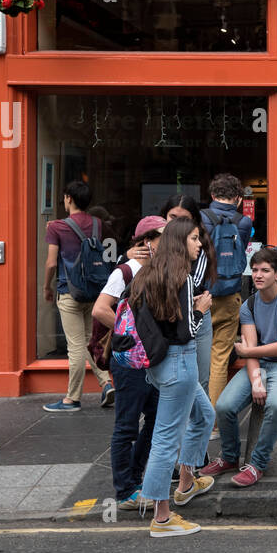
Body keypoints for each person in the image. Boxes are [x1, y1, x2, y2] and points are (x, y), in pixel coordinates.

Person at [127, 216, 216, 536]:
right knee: (165, 441)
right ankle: (162, 517)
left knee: (205, 414)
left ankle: (187, 481)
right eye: (194, 239)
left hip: (160, 365)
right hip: (180, 362)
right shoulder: (184, 277)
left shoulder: (148, 274)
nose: (199, 244)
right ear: (180, 242)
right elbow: (185, 332)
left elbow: (159, 320)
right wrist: (201, 309)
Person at [206, 247, 277, 486]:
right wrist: (256, 380)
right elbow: (251, 347)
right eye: (254, 270)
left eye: (265, 270)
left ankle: (257, 464)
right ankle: (230, 457)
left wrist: (248, 352)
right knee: (224, 406)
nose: (258, 275)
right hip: (260, 363)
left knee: (275, 404)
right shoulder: (249, 305)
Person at [92, 216, 164, 512]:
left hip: (150, 359)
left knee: (156, 418)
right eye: (163, 239)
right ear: (147, 242)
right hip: (128, 359)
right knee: (126, 426)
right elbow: (100, 309)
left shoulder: (156, 269)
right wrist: (132, 335)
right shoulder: (127, 270)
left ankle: (135, 480)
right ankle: (124, 491)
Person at [44, 180, 113, 412]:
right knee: (88, 341)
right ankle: (106, 383)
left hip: (69, 291)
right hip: (93, 291)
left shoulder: (56, 227)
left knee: (75, 347)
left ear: (69, 199)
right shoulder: (97, 224)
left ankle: (72, 399)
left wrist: (46, 286)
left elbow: (52, 262)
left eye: (64, 197)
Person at [201, 174, 255, 412]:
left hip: (200, 295)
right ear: (238, 198)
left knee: (194, 357)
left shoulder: (200, 218)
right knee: (220, 359)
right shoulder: (243, 222)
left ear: (212, 195)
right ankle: (214, 423)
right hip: (228, 296)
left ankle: (195, 417)